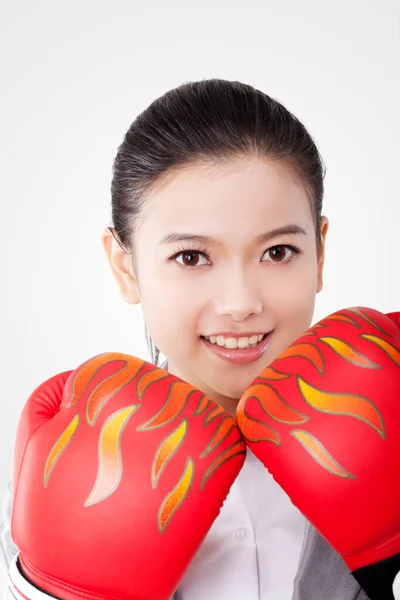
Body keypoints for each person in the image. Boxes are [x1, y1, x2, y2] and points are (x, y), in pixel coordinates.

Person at [1, 79, 398, 600]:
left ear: (319, 254)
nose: (240, 302)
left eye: (278, 252)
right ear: (126, 268)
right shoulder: (65, 476)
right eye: (192, 257)